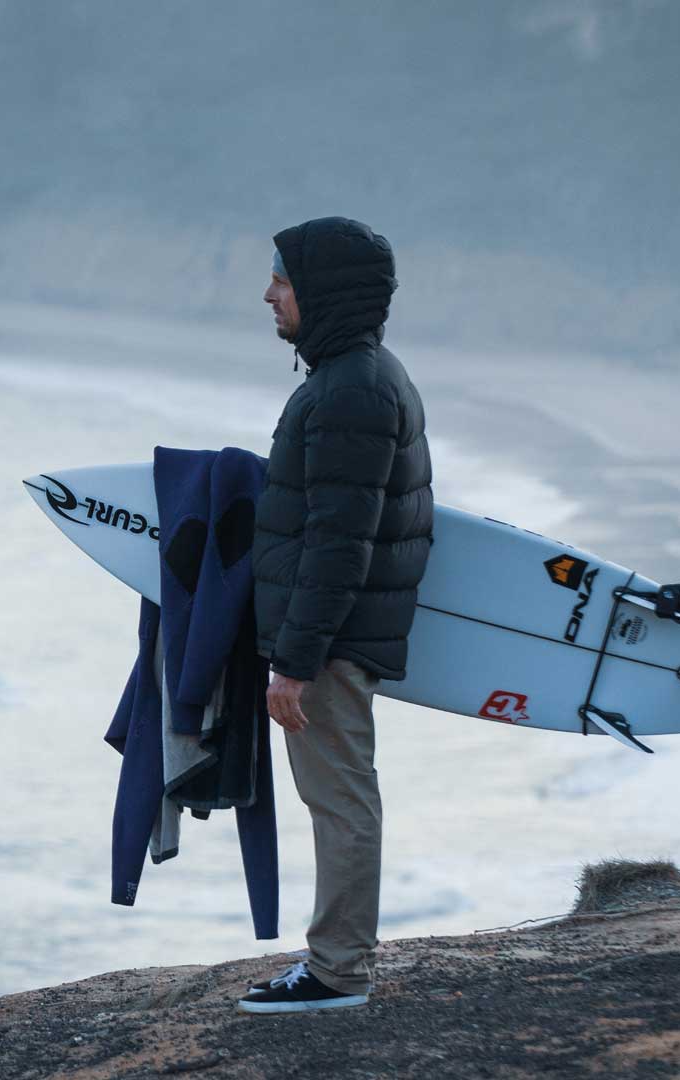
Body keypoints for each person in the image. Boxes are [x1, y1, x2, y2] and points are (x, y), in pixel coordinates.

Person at [237, 217, 433, 1014]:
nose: (269, 293)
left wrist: (296, 658)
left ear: (322, 292)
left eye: (281, 280)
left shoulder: (352, 389)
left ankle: (336, 971)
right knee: (340, 795)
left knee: (341, 798)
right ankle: (334, 959)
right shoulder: (355, 376)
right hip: (332, 634)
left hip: (330, 641)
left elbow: (338, 542)